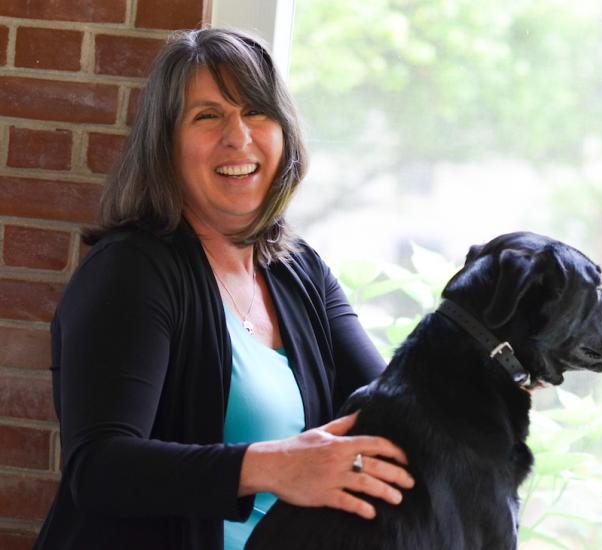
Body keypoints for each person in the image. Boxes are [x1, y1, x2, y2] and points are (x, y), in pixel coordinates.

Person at [34, 28, 414, 550]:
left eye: (256, 111)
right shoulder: (130, 270)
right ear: (165, 145)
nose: (239, 136)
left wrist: (493, 366)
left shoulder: (299, 270)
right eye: (208, 116)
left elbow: (390, 411)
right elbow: (99, 467)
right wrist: (272, 466)